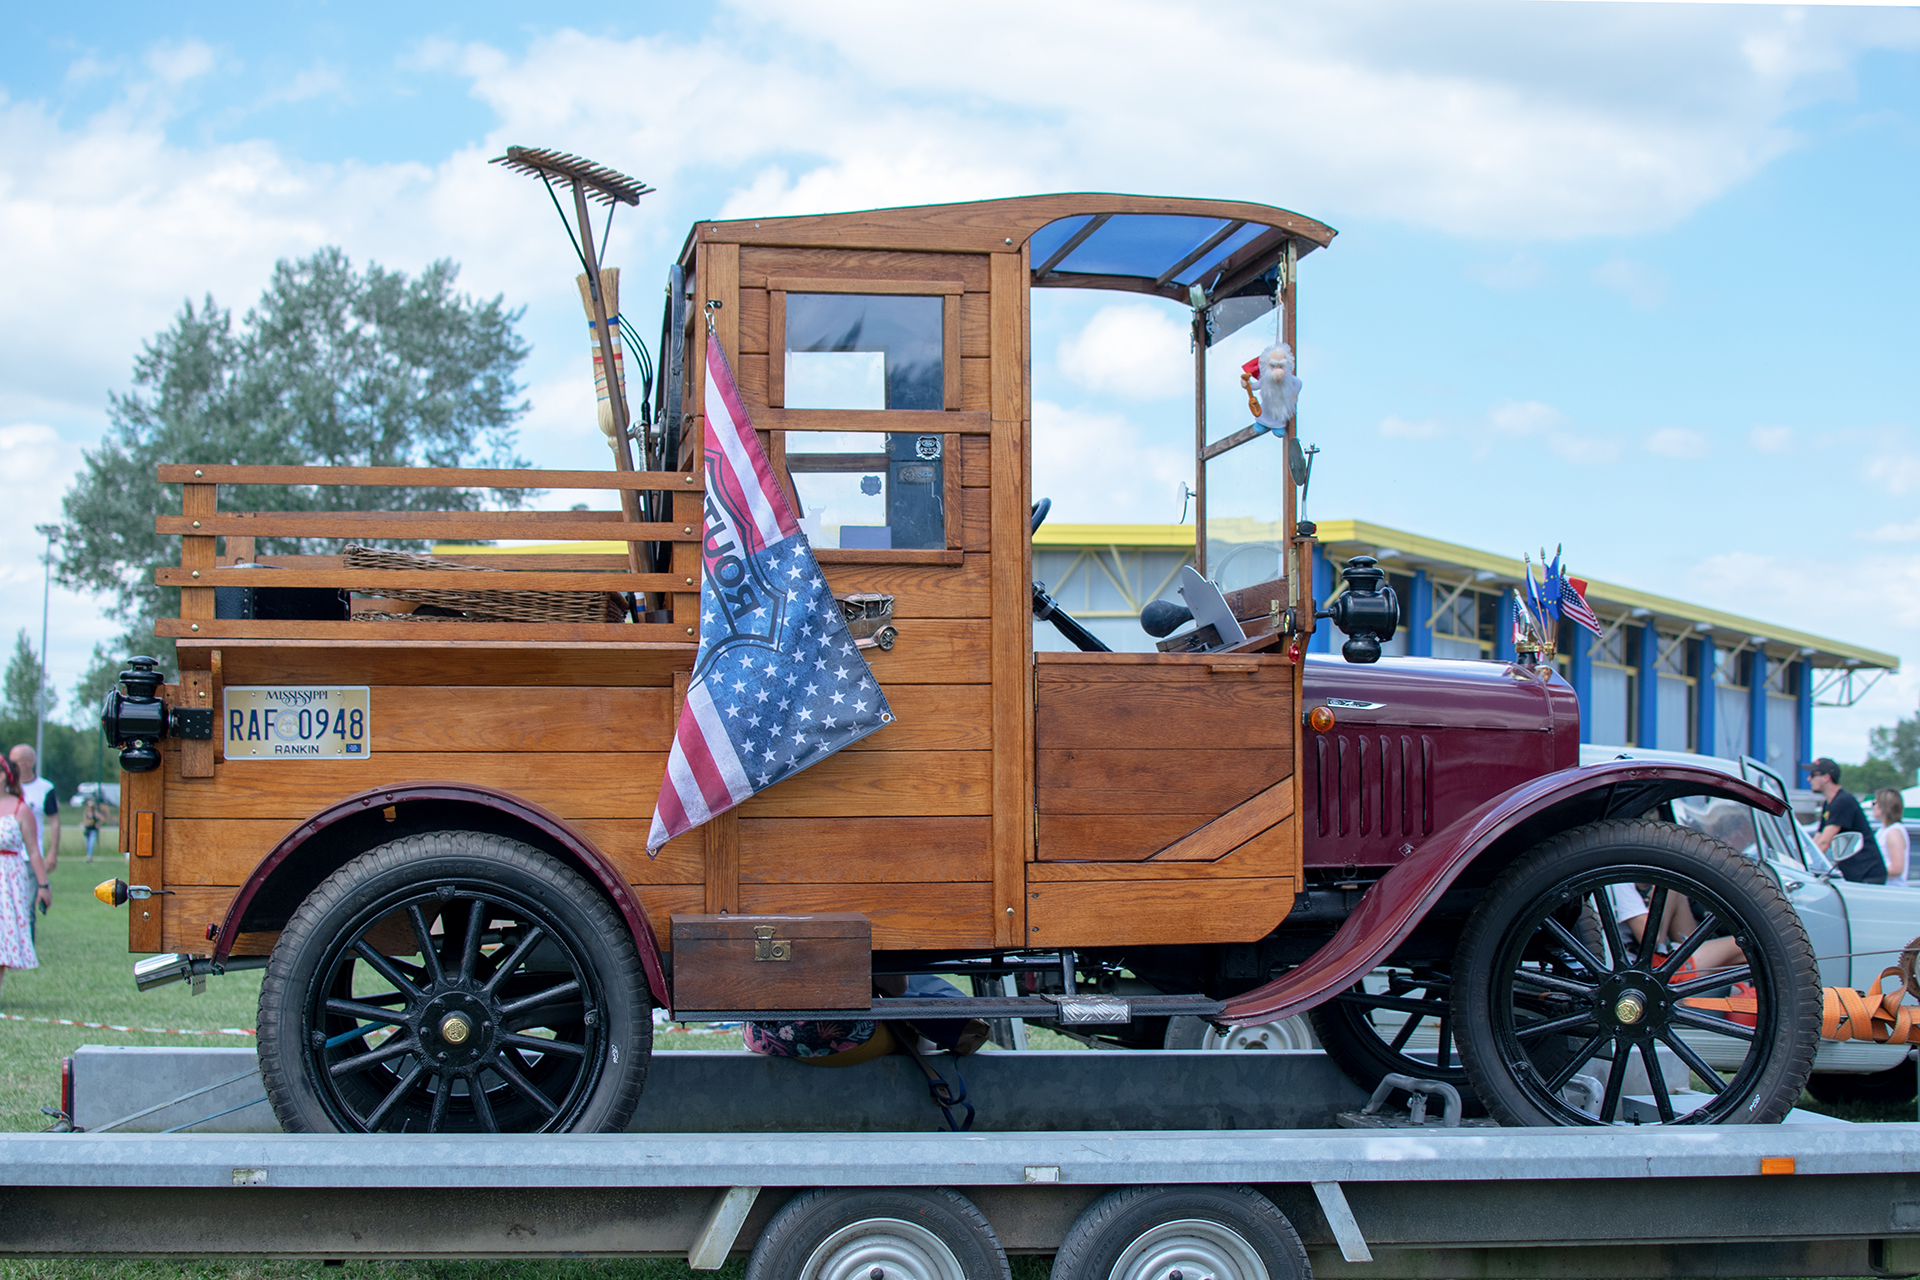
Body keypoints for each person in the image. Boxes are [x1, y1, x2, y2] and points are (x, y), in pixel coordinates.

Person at [0, 755, 47, 1001]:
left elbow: (33, 851)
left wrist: (43, 885)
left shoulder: (20, 808)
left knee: (2, 935)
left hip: (8, 878)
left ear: (7, 776)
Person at [1806, 758, 1887, 883]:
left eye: (1812, 775)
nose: (1809, 779)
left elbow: (1824, 842)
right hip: (1855, 874)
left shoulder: (1843, 801)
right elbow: (1818, 837)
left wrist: (1805, 867)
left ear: (1826, 777)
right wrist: (1804, 857)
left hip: (1867, 875)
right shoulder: (1829, 803)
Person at [8, 745, 60, 877]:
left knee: (30, 897)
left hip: (31, 857)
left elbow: (54, 822)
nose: (11, 766)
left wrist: (53, 852)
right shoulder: (6, 789)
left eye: (15, 762)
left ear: (28, 762)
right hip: (7, 856)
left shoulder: (45, 788)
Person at [1874, 788, 1910, 887]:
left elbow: (1897, 868)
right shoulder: (1882, 831)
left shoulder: (1894, 832)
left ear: (1884, 806)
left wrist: (1870, 872)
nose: (1873, 807)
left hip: (1892, 889)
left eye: (1875, 803)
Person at [81, 791, 103, 863]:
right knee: (87, 844)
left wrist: (98, 824)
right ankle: (88, 855)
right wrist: (84, 824)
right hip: (87, 829)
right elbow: (85, 820)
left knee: (91, 844)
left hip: (93, 829)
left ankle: (89, 856)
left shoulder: (95, 813)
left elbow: (102, 818)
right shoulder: (86, 813)